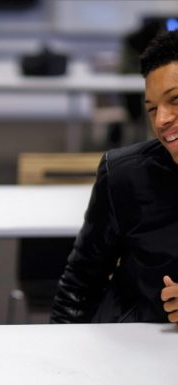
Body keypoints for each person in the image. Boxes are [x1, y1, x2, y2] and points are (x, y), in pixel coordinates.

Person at [50, 29, 178, 324]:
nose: (161, 120)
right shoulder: (126, 174)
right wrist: (61, 348)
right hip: (134, 342)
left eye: (175, 99)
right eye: (152, 109)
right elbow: (79, 284)